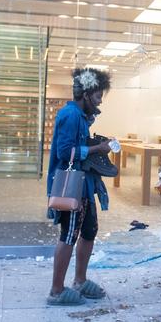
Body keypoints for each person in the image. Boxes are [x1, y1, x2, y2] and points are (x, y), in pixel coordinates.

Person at [46, 68, 112, 306]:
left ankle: (80, 281)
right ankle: (56, 290)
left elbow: (77, 145)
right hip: (71, 188)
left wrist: (95, 142)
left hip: (84, 186)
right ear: (85, 94)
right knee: (69, 235)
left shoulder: (81, 116)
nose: (100, 100)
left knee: (88, 231)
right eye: (97, 96)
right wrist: (97, 149)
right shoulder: (71, 115)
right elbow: (65, 153)